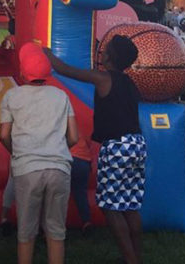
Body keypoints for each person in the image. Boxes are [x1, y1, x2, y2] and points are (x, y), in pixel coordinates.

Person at [44, 36, 146, 264]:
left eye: (105, 50)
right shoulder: (129, 83)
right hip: (137, 144)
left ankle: (131, 261)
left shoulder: (102, 78)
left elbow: (64, 69)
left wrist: (47, 53)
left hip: (117, 147)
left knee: (110, 207)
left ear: (110, 56)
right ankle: (135, 256)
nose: (102, 53)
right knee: (130, 205)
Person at [0, 42, 78, 264]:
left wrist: (17, 152)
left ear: (23, 71)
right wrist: (58, 150)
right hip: (59, 168)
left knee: (26, 232)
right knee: (56, 231)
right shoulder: (61, 96)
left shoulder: (11, 96)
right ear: (48, 71)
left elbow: (4, 134)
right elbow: (73, 136)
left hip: (27, 169)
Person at [69, 133, 94, 235]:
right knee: (80, 193)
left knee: (56, 195)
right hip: (83, 160)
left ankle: (49, 228)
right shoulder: (77, 129)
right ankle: (86, 221)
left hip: (66, 158)